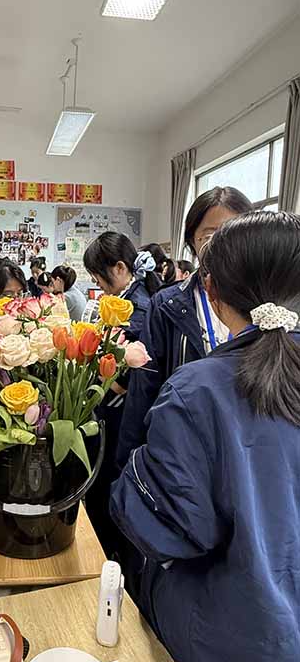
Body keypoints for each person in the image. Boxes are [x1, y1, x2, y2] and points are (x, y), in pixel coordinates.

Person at [111, 211, 300, 662]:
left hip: (224, 634)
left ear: (211, 290)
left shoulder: (197, 389)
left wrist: (133, 474)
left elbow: (171, 532)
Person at [117, 186, 254, 471]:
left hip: (250, 453)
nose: (224, 244)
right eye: (211, 236)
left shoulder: (269, 305)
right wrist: (128, 466)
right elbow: (144, 390)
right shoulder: (168, 304)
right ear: (192, 241)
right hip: (182, 452)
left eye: (235, 232)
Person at [82, 233, 161, 557]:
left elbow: (136, 369)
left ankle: (105, 554)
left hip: (119, 411)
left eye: (97, 275)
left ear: (119, 267)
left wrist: (104, 383)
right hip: (113, 408)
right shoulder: (130, 297)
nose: (96, 283)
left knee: (106, 484)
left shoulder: (137, 306)